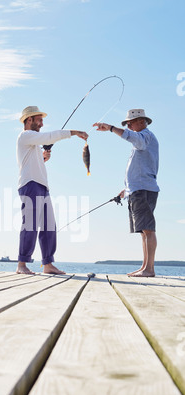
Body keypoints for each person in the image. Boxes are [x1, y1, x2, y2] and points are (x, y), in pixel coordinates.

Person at [16, 106, 88, 275]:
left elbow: (32, 162)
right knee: (30, 225)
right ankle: (21, 265)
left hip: (42, 186)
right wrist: (74, 132)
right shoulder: (25, 136)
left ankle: (48, 265)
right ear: (29, 120)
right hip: (30, 185)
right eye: (39, 120)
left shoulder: (32, 143)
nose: (41, 124)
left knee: (49, 226)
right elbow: (48, 137)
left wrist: (43, 158)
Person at [93, 109, 160, 278]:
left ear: (141, 121)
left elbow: (135, 140)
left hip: (143, 190)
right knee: (143, 232)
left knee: (148, 230)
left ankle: (149, 269)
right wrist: (127, 189)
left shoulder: (145, 136)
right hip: (137, 189)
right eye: (127, 124)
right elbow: (141, 168)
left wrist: (110, 128)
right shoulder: (142, 139)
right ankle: (145, 267)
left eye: (130, 123)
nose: (128, 126)